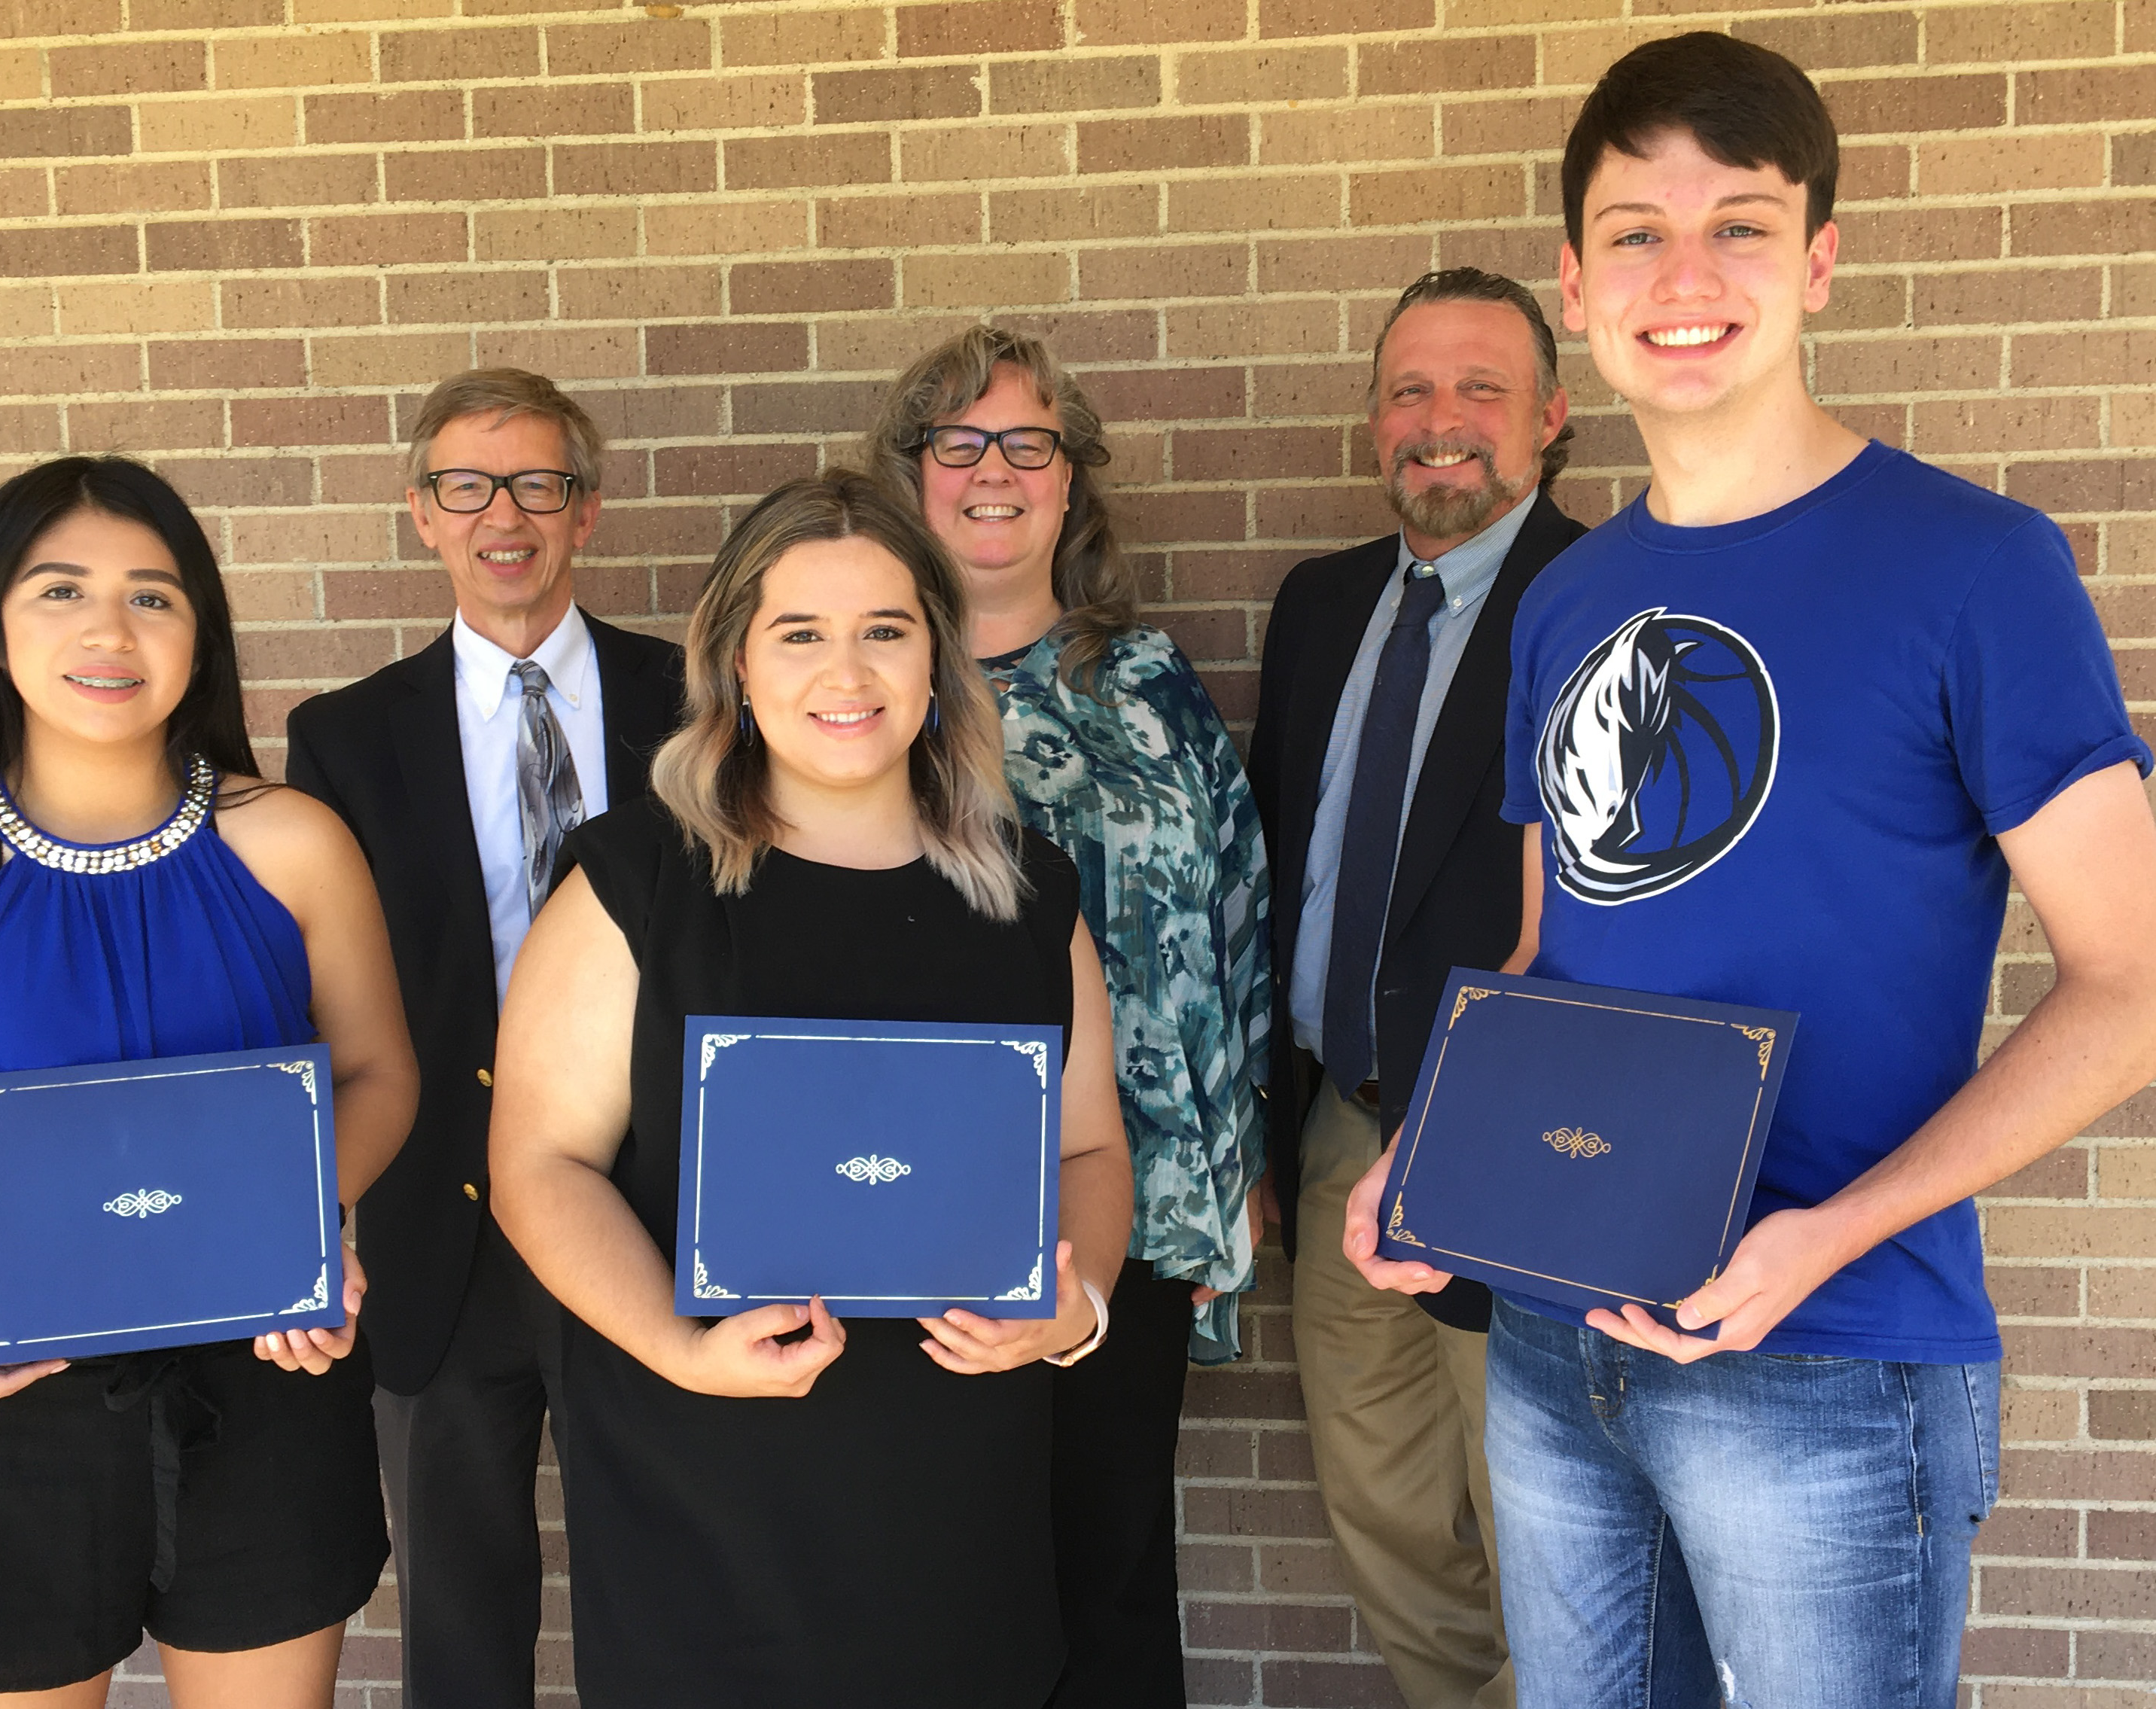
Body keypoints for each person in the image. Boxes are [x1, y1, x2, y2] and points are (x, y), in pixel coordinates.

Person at [1344, 33, 2156, 1709]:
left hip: (1831, 1356)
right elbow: (1537, 948)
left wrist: (1825, 1234)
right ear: (1574, 285)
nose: (1684, 274)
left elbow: (2130, 986)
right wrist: (1434, 1152)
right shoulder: (1566, 599)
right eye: (1635, 230)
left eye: (1741, 225)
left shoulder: (1975, 569)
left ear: (1819, 262)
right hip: (1558, 1339)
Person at [487, 471, 1133, 1709]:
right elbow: (538, 1165)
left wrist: (1079, 1306)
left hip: (956, 1483)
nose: (847, 673)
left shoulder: (1026, 893)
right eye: (800, 633)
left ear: (935, 659)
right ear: (734, 660)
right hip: (709, 1481)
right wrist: (679, 1347)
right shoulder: (636, 883)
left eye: (885, 630)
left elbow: (1091, 1152)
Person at [0, 456, 416, 1706]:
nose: (108, 630)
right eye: (60, 590)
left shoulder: (292, 841)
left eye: (153, 595)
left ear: (200, 631)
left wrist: (290, 1223)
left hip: (265, 1368)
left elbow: (378, 1073)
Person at [862, 325, 1270, 1709]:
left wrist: (1234, 1173)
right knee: (941, 1579)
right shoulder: (863, 695)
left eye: (1026, 443)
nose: (993, 472)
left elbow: (1232, 922)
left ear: (1069, 479)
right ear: (910, 476)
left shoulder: (1145, 682)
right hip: (913, 1214)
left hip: (1138, 1204)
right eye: (957, 444)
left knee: (1107, 1568)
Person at [284, 368, 682, 1707]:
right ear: (421, 514)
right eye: (467, 485)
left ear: (588, 511)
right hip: (437, 1229)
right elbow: (328, 994)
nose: (501, 514)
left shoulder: (696, 697)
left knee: (674, 1570)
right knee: (459, 1608)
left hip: (652, 1208)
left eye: (537, 483)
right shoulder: (342, 737)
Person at [1249, 267, 1580, 1709]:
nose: (1439, 424)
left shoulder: (1596, 602)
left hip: (1515, 1144)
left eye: (1479, 390)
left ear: (1552, 418)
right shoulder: (1319, 604)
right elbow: (1279, 865)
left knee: (1545, 1523)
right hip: (1338, 1131)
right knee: (1380, 1504)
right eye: (1408, 390)